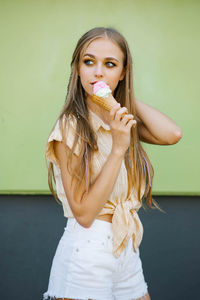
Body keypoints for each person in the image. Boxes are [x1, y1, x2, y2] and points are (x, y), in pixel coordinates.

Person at [43, 27, 182, 300]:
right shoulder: (70, 128)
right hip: (87, 253)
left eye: (110, 65)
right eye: (88, 62)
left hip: (125, 246)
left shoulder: (119, 120)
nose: (97, 73)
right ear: (77, 69)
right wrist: (118, 148)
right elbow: (83, 214)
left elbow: (172, 134)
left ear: (123, 73)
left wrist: (118, 98)